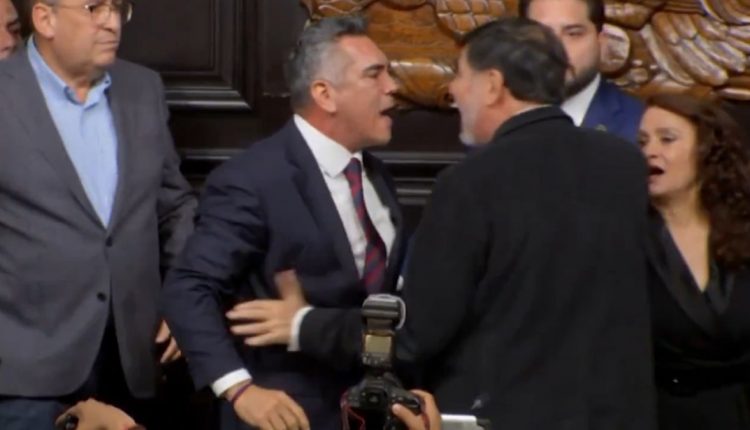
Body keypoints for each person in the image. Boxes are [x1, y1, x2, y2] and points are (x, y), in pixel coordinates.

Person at [398, 17, 656, 429]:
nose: (453, 91)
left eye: (461, 75)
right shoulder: (626, 164)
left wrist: (312, 327)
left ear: (493, 84)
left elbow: (422, 332)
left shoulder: (470, 182)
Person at [162, 15, 407, 430]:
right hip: (288, 414)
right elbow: (188, 288)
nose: (393, 86)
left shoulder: (376, 175)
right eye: (374, 74)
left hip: (373, 412)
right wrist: (238, 388)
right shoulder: (253, 179)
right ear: (325, 94)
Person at [0, 0, 196, 428]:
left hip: (134, 360)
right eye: (94, 8)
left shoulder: (142, 88)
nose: (112, 22)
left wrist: (184, 298)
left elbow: (174, 205)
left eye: (117, 7)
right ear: (45, 19)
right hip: (26, 376)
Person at [639, 93, 750, 430]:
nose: (649, 151)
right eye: (642, 142)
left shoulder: (742, 228)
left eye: (667, 139)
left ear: (707, 151)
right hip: (659, 415)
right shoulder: (624, 236)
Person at [519, 0, 643, 142]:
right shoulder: (499, 119)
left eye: (573, 34)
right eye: (541, 34)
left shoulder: (640, 124)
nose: (557, 49)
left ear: (601, 42)